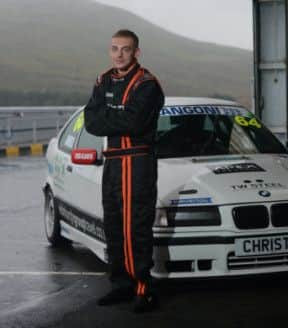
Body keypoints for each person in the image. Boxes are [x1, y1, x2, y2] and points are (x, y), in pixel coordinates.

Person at [84, 29, 164, 313]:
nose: (119, 54)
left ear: (136, 52)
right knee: (114, 225)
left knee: (135, 227)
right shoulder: (103, 80)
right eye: (115, 48)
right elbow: (90, 121)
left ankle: (144, 289)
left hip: (137, 161)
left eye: (126, 49)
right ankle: (121, 285)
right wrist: (116, 117)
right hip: (113, 161)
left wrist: (109, 116)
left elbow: (135, 122)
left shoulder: (147, 84)